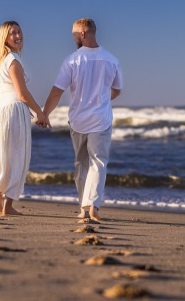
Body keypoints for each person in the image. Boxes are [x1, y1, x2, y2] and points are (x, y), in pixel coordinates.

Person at [43, 18, 123, 221]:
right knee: (98, 163)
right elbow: (117, 89)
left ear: (82, 34)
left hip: (78, 120)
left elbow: (56, 92)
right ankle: (93, 205)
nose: (73, 38)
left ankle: (83, 208)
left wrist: (45, 113)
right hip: (101, 119)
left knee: (81, 164)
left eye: (74, 34)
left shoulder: (72, 60)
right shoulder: (112, 59)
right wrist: (103, 99)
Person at [0, 21, 48, 215]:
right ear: (4, 38)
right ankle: (8, 206)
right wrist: (39, 111)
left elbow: (2, 91)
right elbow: (21, 93)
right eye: (13, 33)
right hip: (12, 109)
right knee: (17, 156)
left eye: (20, 31)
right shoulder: (13, 60)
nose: (18, 35)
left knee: (2, 155)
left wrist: (23, 108)